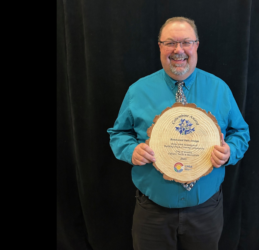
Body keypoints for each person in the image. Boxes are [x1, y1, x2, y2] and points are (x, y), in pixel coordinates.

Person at [107, 16, 250, 250]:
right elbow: (118, 132)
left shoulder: (219, 89)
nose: (178, 50)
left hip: (205, 210)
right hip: (152, 211)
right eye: (170, 42)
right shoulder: (138, 90)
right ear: (160, 47)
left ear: (197, 45)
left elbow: (240, 132)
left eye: (186, 42)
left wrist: (230, 151)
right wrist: (130, 150)